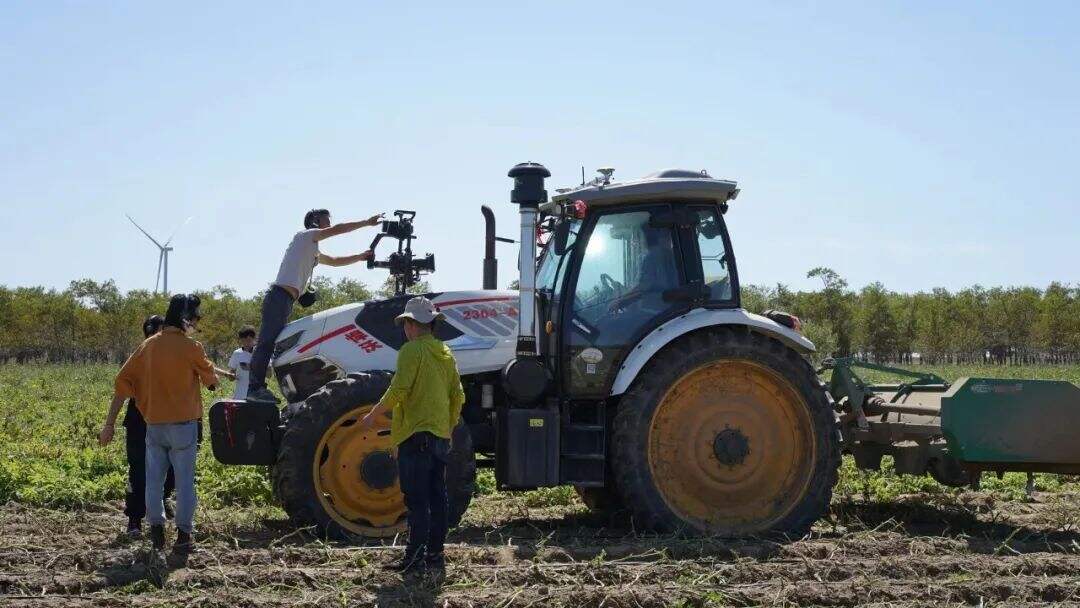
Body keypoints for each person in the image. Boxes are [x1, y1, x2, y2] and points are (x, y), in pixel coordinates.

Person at [99, 294, 218, 554]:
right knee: (185, 482)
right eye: (195, 318)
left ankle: (156, 534)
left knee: (153, 480)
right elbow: (211, 381)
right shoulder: (192, 347)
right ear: (186, 318)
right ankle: (184, 536)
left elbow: (123, 379)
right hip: (184, 426)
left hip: (154, 426)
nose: (196, 323)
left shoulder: (148, 346)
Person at [360, 296, 465, 573]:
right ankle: (435, 555)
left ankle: (414, 557)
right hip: (439, 436)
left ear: (413, 324)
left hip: (415, 435)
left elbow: (399, 390)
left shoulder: (411, 351)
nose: (405, 329)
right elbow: (458, 396)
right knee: (437, 498)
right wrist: (449, 429)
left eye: (406, 323)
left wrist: (373, 414)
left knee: (416, 501)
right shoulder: (445, 352)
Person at [246, 209, 382, 403]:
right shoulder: (305, 236)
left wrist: (360, 257)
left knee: (275, 344)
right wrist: (366, 223)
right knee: (266, 343)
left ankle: (261, 388)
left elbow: (334, 261)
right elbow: (339, 230)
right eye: (327, 218)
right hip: (278, 297)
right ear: (315, 220)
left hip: (285, 300)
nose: (330, 222)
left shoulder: (313, 248)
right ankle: (255, 388)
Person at [122, 314, 176, 537]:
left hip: (168, 419)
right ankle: (134, 519)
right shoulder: (138, 357)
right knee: (139, 471)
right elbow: (120, 390)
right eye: (153, 333)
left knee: (172, 468)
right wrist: (108, 424)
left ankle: (163, 498)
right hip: (139, 421)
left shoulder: (174, 357)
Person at [223, 325, 257, 400]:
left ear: (254, 339)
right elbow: (231, 375)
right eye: (243, 341)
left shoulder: (260, 354)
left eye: (249, 340)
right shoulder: (237, 353)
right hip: (240, 395)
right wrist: (231, 376)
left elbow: (269, 374)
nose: (246, 344)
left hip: (256, 395)